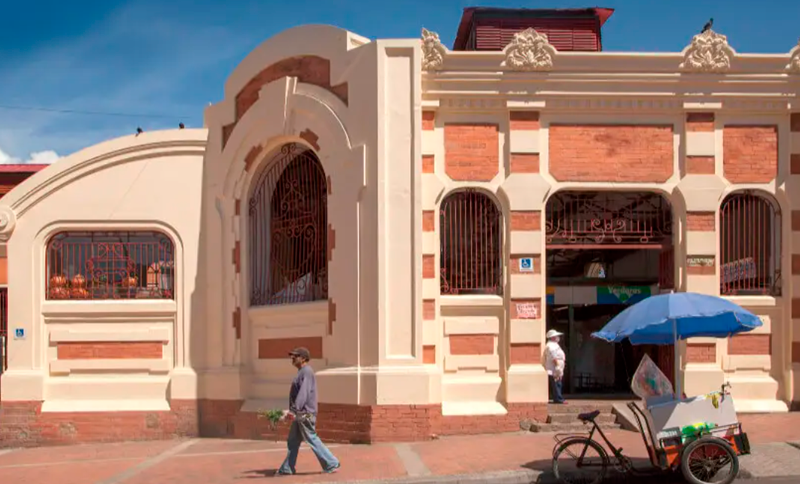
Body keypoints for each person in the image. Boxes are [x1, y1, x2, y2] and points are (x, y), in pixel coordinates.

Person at [275, 347, 341, 476]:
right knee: (293, 440)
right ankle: (287, 467)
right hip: (301, 413)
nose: (292, 358)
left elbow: (303, 393)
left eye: (295, 356)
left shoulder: (307, 371)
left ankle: (331, 462)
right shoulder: (302, 372)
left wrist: (294, 410)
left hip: (305, 413)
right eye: (292, 356)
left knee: (311, 437)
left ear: (304, 358)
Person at [544, 329, 567, 404]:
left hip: (557, 366)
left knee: (558, 382)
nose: (558, 337)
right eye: (556, 336)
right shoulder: (550, 345)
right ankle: (558, 399)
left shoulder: (554, 344)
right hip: (554, 367)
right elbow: (553, 356)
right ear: (553, 337)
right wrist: (557, 366)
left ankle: (558, 398)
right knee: (556, 383)